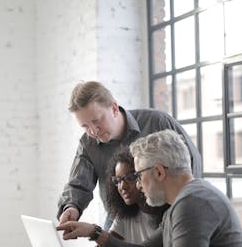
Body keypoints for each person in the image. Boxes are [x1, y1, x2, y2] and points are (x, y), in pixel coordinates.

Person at [57, 130, 242, 247]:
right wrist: (94, 232)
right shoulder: (183, 203)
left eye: (138, 176)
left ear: (159, 172)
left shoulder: (193, 202)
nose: (137, 185)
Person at [57, 81, 201, 229]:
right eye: (85, 126)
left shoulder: (157, 122)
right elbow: (78, 184)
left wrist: (183, 208)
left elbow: (189, 163)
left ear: (114, 109)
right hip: (120, 218)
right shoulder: (88, 143)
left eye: (96, 121)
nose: (93, 131)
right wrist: (71, 207)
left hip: (164, 216)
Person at [24, 149, 169, 247]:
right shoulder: (126, 213)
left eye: (130, 177)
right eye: (117, 181)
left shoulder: (170, 216)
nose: (122, 187)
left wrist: (100, 240)